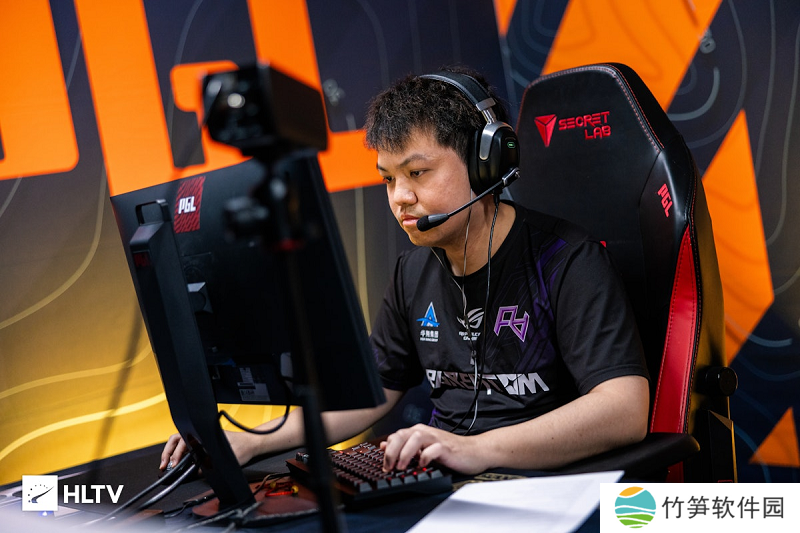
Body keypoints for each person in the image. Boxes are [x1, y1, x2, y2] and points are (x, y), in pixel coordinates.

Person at [161, 66, 649, 476]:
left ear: (485, 163)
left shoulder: (567, 259)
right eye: (388, 179)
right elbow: (374, 393)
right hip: (448, 478)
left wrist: (477, 449)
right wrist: (251, 439)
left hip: (547, 483)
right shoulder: (412, 271)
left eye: (417, 173)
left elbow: (625, 409)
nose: (400, 198)